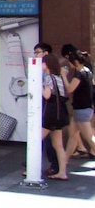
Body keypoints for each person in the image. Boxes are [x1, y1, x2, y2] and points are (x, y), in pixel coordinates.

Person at [41, 52, 69, 181]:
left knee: (36, 139)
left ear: (46, 64)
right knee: (59, 145)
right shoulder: (59, 78)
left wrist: (39, 86)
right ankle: (62, 172)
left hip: (50, 113)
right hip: (60, 113)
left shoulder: (48, 78)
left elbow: (47, 95)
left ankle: (31, 169)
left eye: (42, 62)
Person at [63, 50, 95, 160]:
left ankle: (63, 164)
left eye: (70, 62)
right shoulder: (87, 71)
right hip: (84, 108)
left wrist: (64, 76)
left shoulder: (80, 73)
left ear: (75, 61)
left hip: (81, 109)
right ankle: (64, 163)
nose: (69, 64)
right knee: (72, 136)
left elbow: (70, 89)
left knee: (89, 138)